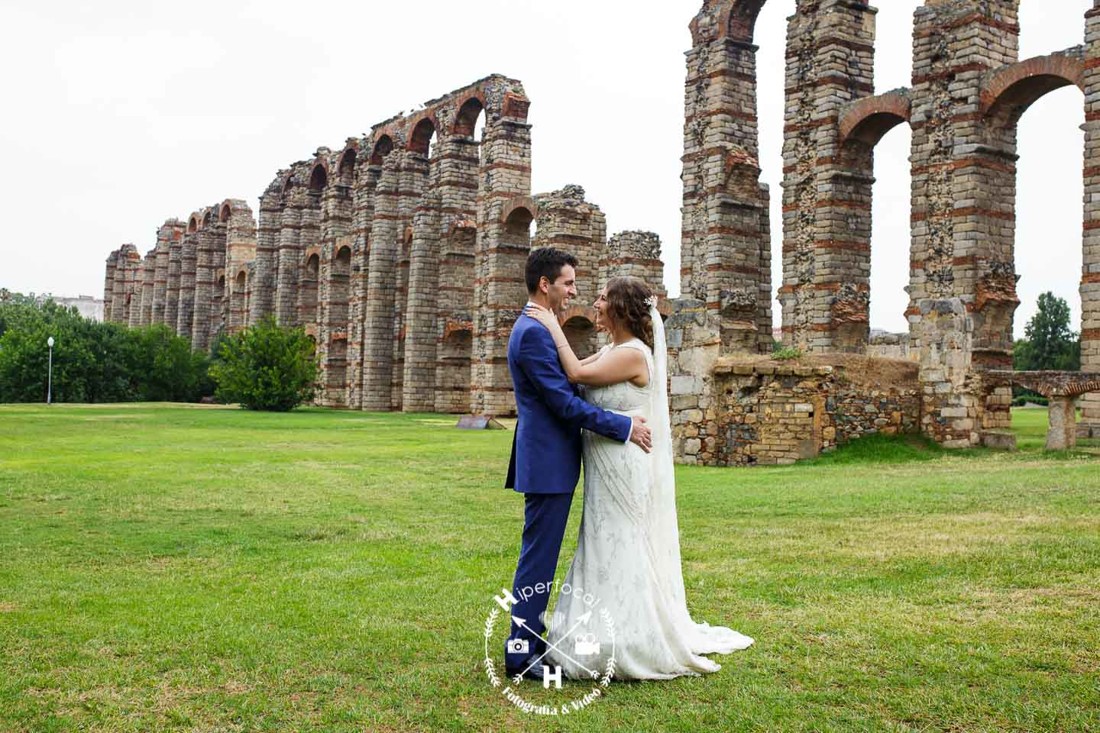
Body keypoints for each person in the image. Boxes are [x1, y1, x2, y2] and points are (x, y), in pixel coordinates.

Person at [525, 275, 754, 680]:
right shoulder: (612, 349)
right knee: (597, 539)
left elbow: (575, 373)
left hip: (623, 460)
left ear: (620, 307)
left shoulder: (633, 354)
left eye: (601, 297)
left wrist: (549, 323)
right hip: (603, 460)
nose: (593, 303)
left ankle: (632, 636)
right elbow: (573, 380)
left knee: (620, 540)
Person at [504, 248, 653, 680]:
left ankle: (530, 638)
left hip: (551, 458)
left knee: (541, 557)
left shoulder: (538, 327)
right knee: (538, 559)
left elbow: (570, 386)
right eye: (568, 283)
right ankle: (519, 655)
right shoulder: (533, 331)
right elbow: (564, 405)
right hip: (548, 459)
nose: (574, 291)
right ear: (545, 284)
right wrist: (622, 426)